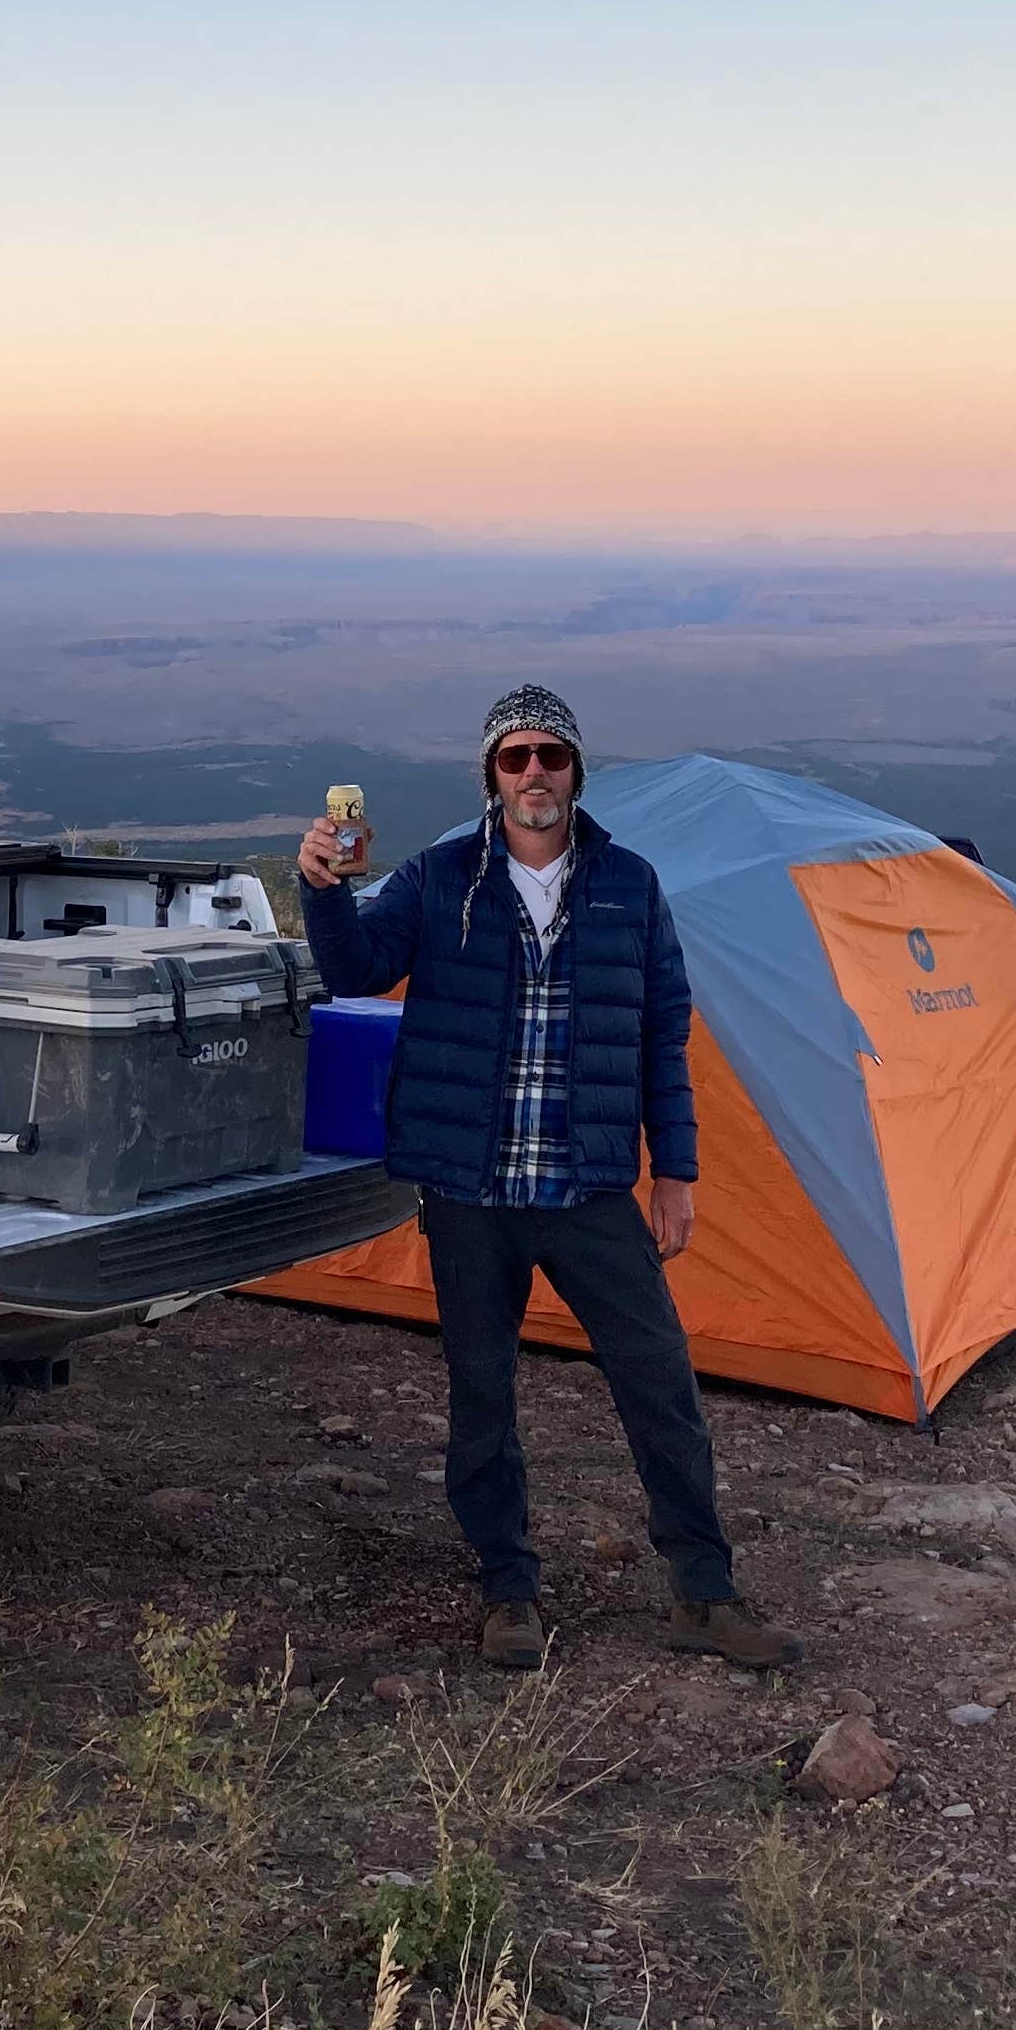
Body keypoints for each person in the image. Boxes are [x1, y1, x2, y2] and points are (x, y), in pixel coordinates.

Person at [296, 684, 795, 1673]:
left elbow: (662, 1035)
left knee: (661, 1385)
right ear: (491, 775)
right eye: (515, 756)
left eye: (551, 756)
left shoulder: (630, 886)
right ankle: (508, 1590)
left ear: (576, 772)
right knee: (483, 1397)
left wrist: (677, 1172)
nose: (535, 773)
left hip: (588, 1188)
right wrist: (321, 889)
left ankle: (703, 1592)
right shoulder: (439, 878)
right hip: (470, 1192)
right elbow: (356, 974)